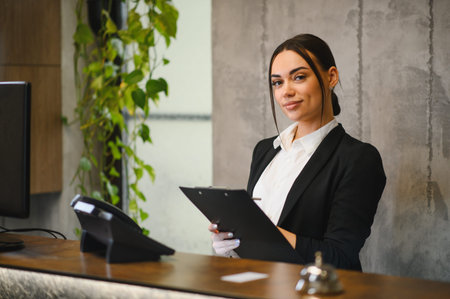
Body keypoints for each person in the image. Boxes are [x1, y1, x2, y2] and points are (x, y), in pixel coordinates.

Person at [209, 34, 386, 271]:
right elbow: (254, 244)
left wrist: (264, 234)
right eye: (277, 82)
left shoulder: (358, 159)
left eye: (299, 77)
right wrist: (232, 241)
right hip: (255, 286)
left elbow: (340, 256)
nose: (286, 91)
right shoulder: (265, 150)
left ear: (331, 77)